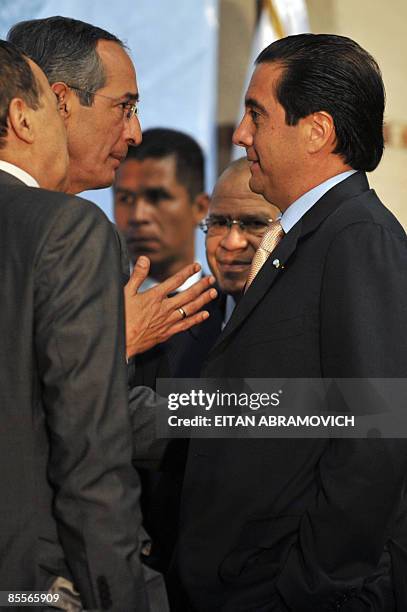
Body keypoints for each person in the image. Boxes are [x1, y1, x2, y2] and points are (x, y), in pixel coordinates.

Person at [175, 34, 407, 611]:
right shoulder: (314, 233)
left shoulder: (357, 236)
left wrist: (310, 588)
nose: (240, 134)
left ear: (318, 130)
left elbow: (375, 435)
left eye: (257, 113)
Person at [0, 40, 148, 611]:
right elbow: (92, 452)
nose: (135, 132)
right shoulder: (67, 230)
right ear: (27, 115)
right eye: (125, 105)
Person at [8, 16, 216, 361]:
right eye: (125, 107)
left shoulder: (90, 239)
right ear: (62, 103)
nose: (135, 133)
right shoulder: (76, 232)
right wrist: (114, 345)